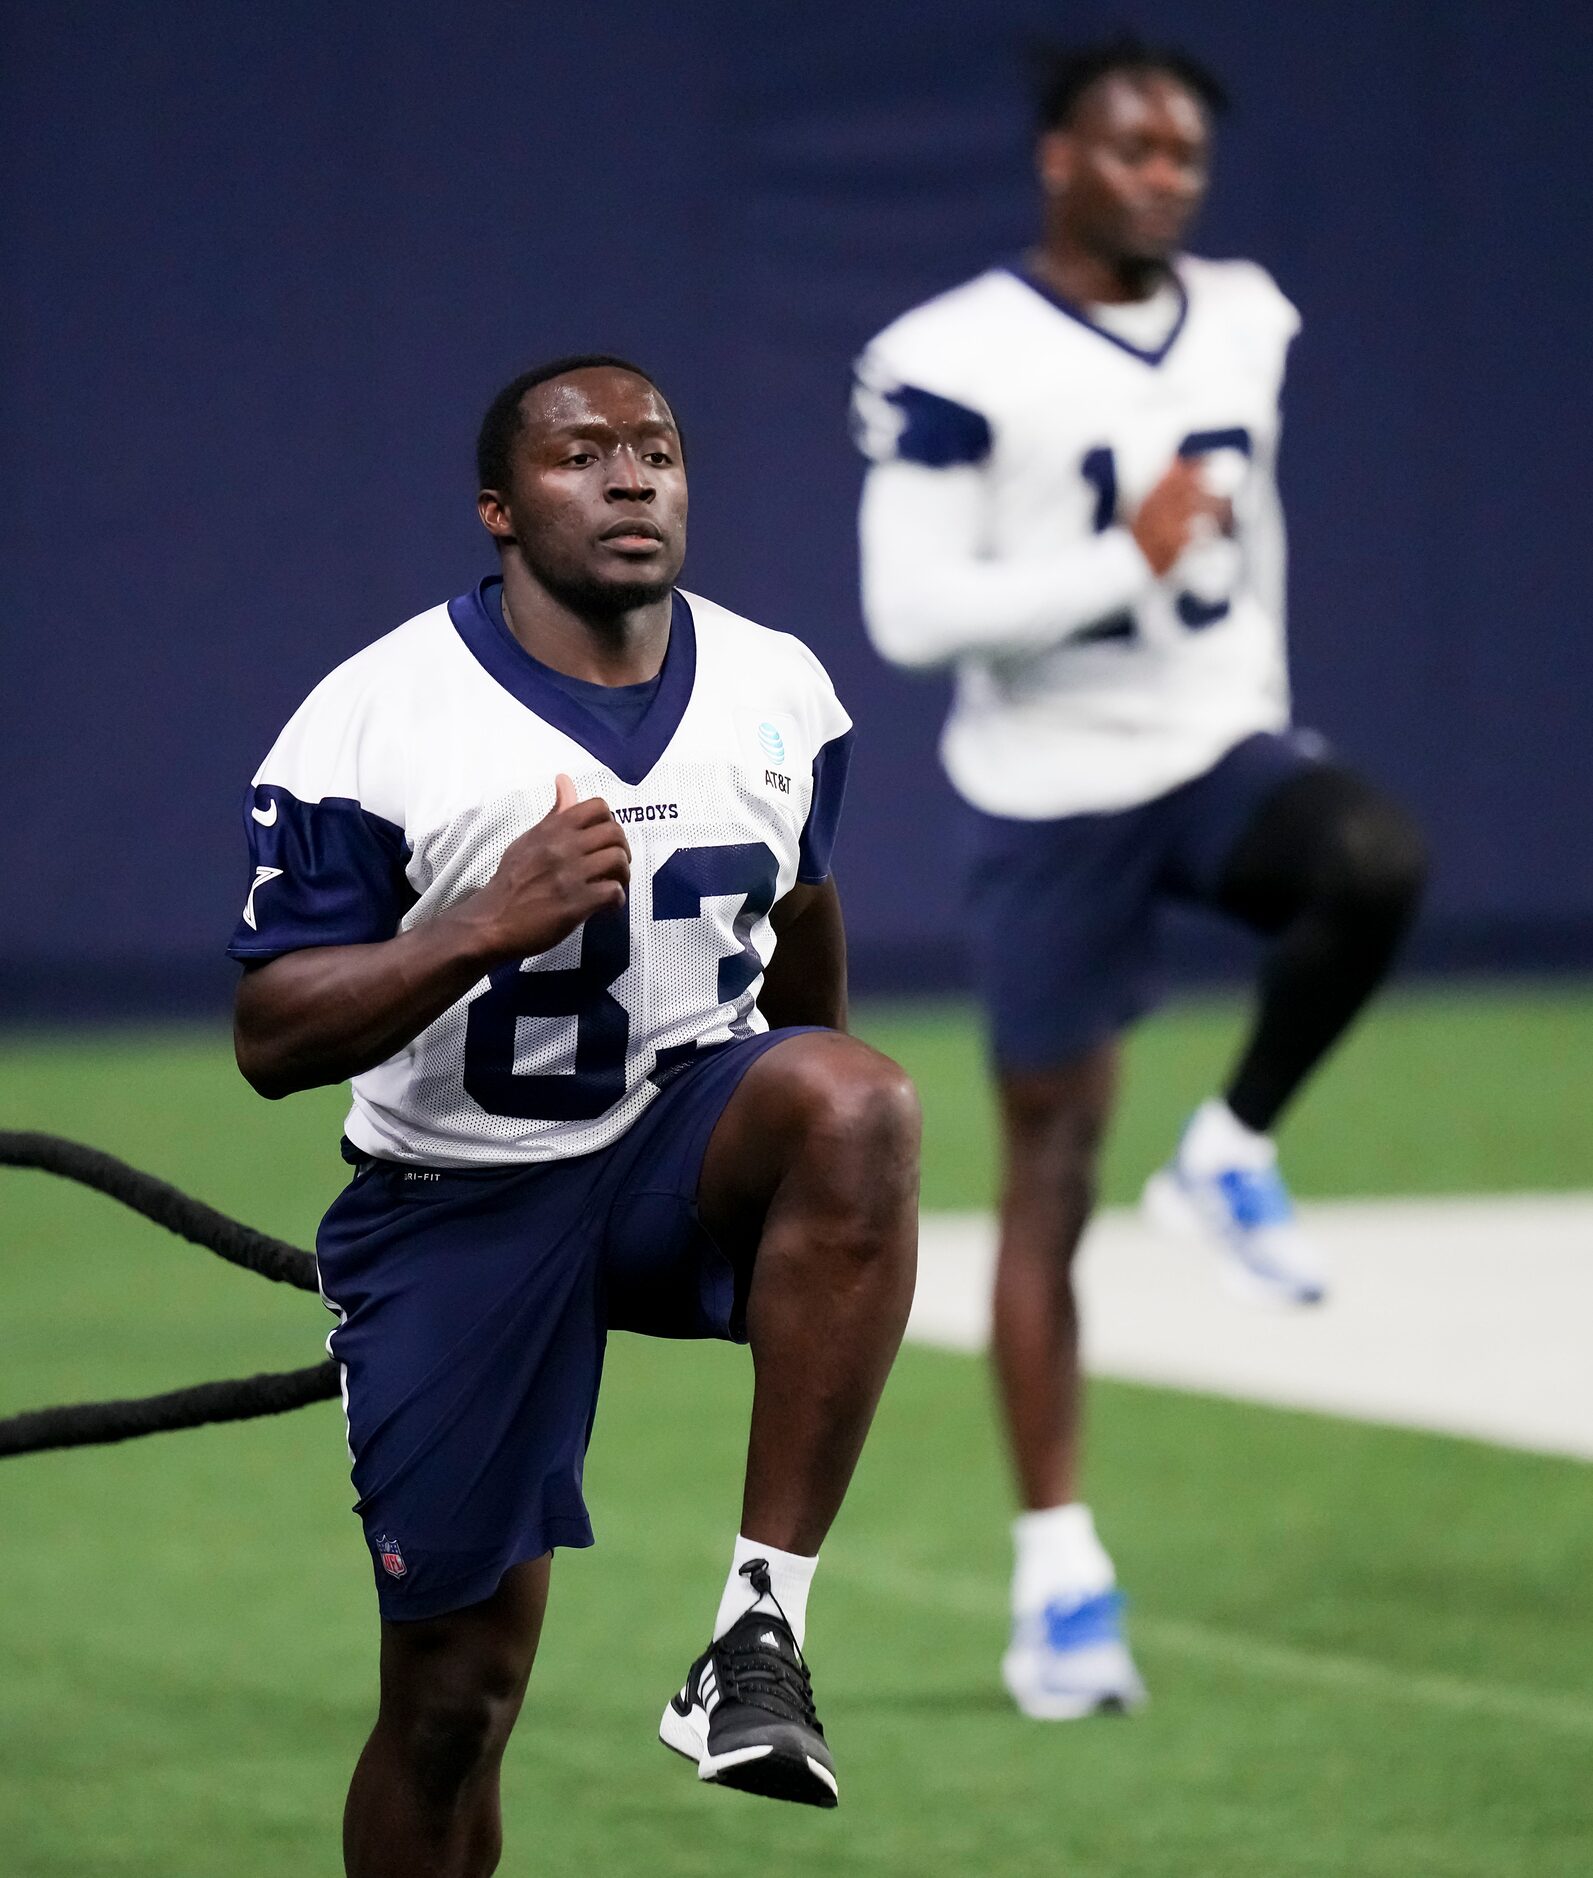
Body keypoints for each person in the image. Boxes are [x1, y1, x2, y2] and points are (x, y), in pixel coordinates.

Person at [229, 355, 920, 1873]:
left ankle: (755, 1633)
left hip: (674, 1146)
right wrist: (476, 926)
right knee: (455, 1700)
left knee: (859, 1101)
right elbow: (269, 1035)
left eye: (656, 449)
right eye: (581, 453)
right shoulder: (375, 713)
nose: (629, 476)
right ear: (497, 506)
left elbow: (799, 915)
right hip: (460, 1199)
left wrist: (825, 1179)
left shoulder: (779, 685)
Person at [851, 38, 1426, 1720]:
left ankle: (1232, 1144)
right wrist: (1122, 556)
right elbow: (908, 617)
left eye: (1184, 153)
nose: (1164, 177)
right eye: (1131, 149)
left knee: (1373, 862)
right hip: (1045, 794)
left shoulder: (1246, 312)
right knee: (1047, 1173)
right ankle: (1058, 1579)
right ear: (1055, 159)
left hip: (1214, 746)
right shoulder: (952, 352)